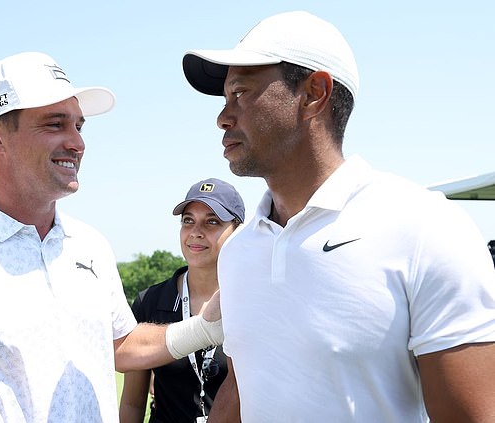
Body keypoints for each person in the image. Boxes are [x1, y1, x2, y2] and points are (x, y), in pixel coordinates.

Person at [0, 52, 223, 423]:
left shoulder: (90, 245)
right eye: (55, 125)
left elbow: (121, 346)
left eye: (79, 126)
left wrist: (204, 327)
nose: (77, 143)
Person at [181, 11, 495, 423]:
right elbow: (244, 387)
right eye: (225, 98)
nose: (223, 116)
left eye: (241, 93)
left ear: (314, 93)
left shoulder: (426, 227)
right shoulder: (239, 250)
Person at [119, 178, 245, 423]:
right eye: (188, 220)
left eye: (212, 222)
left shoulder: (253, 299)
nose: (196, 232)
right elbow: (132, 403)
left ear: (237, 231)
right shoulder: (150, 301)